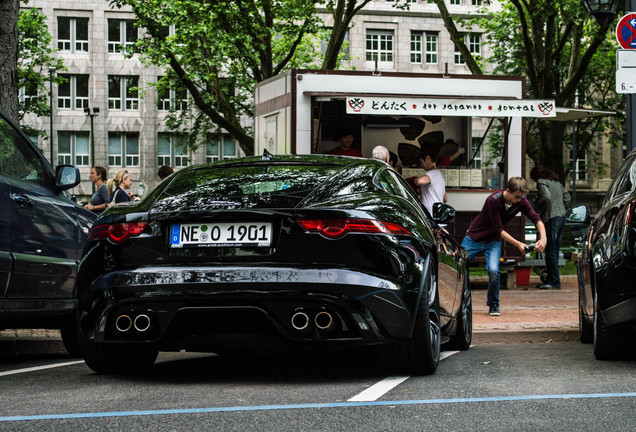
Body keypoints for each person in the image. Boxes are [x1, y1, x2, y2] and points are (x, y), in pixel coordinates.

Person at [461, 177, 547, 316]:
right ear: (508, 191)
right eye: (517, 197)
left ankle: (493, 305)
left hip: (493, 241)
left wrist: (544, 238)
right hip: (474, 238)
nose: (520, 200)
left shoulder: (521, 201)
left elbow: (536, 218)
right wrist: (519, 244)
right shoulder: (493, 200)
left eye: (522, 197)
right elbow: (498, 229)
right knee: (458, 266)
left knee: (494, 270)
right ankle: (459, 301)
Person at [530, 166, 571, 290]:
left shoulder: (542, 182)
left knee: (550, 251)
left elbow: (546, 197)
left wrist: (540, 209)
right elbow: (567, 198)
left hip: (551, 218)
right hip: (561, 217)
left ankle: (553, 281)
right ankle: (552, 278)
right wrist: (558, 205)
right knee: (555, 250)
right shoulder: (557, 183)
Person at [414, 148, 447, 216]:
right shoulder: (440, 176)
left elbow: (419, 181)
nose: (421, 165)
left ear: (428, 158)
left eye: (421, 162)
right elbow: (445, 199)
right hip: (438, 216)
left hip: (429, 217)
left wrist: (414, 179)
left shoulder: (431, 174)